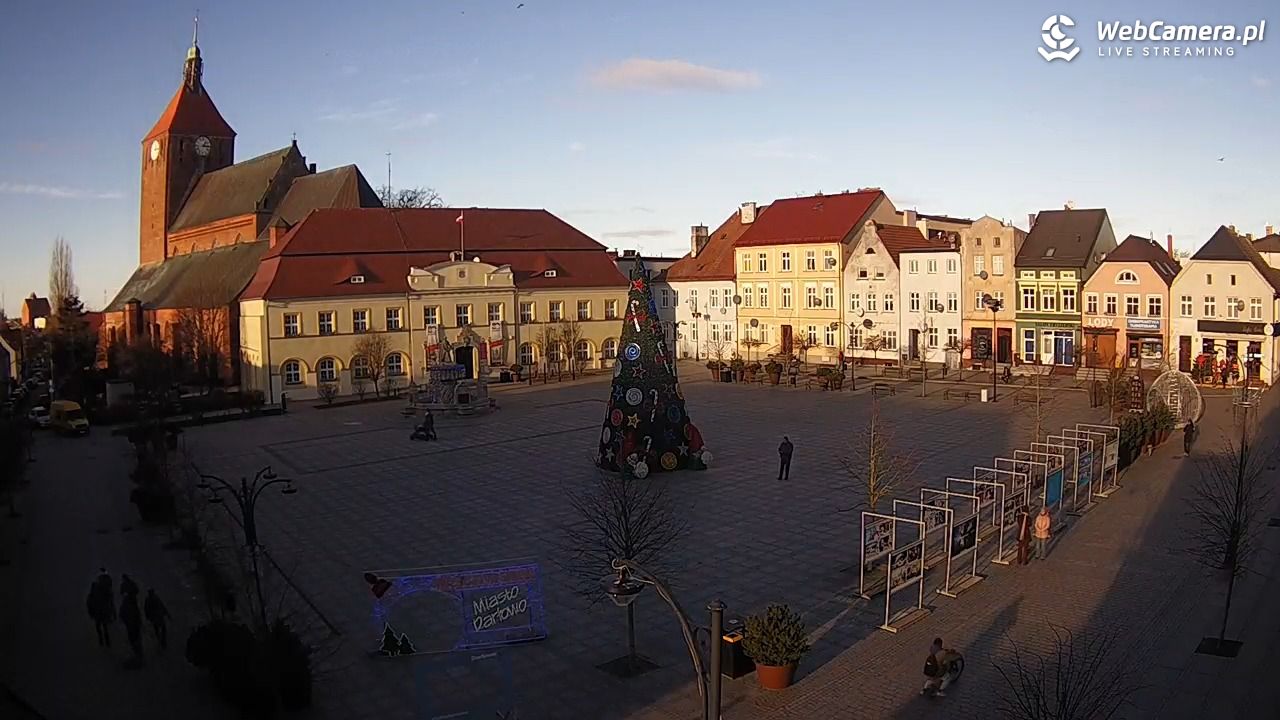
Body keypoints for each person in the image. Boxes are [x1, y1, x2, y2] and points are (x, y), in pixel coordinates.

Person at [86, 575, 115, 647]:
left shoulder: (92, 594)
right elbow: (109, 599)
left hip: (97, 612)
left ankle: (101, 640)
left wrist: (91, 612)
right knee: (104, 626)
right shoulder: (102, 591)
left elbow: (89, 603)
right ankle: (106, 641)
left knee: (99, 627)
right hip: (103, 611)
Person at [119, 589, 144, 664]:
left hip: (130, 625)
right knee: (136, 639)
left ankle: (137, 655)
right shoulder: (133, 604)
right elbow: (137, 614)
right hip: (134, 625)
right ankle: (139, 655)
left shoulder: (125, 605)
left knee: (133, 639)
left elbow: (122, 615)